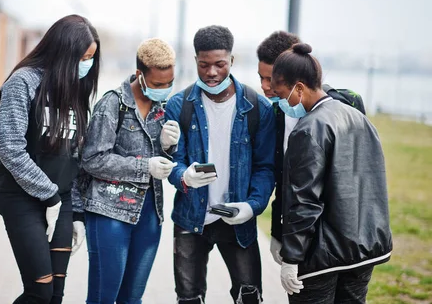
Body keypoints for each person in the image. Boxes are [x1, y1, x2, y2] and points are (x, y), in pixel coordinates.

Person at [271, 43, 392, 303]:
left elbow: (304, 201)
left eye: (282, 95)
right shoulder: (357, 117)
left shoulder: (308, 128)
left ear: (299, 88)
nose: (282, 103)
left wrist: (291, 258)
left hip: (323, 257)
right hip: (364, 250)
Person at [165, 25, 275, 304]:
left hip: (238, 220)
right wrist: (184, 176)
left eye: (219, 64)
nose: (212, 72)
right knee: (188, 298)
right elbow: (172, 163)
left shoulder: (257, 108)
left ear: (232, 61)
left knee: (249, 297)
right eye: (204, 65)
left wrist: (251, 207)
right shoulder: (179, 106)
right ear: (195, 61)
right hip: (191, 218)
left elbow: (265, 167)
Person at [0, 15, 100, 304]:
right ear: (63, 53)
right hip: (21, 198)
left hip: (62, 201)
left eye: (91, 57)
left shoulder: (75, 89)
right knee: (39, 291)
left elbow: (75, 157)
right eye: (83, 57)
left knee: (55, 295)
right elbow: (11, 149)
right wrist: (49, 195)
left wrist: (76, 213)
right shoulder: (23, 83)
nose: (87, 64)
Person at [81, 38, 179, 304]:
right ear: (140, 75)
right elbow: (92, 159)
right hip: (110, 212)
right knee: (103, 296)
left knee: (132, 299)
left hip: (149, 214)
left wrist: (168, 148)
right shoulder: (112, 104)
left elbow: (162, 163)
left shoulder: (163, 109)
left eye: (169, 83)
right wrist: (144, 166)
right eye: (158, 84)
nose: (165, 90)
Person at [256, 31, 301, 264]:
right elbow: (280, 180)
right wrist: (276, 232)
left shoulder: (339, 104)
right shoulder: (276, 113)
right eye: (260, 78)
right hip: (293, 235)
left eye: (270, 79)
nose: (264, 86)